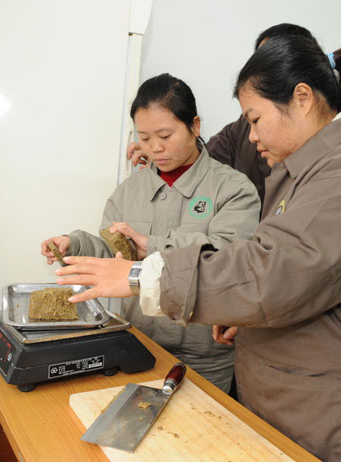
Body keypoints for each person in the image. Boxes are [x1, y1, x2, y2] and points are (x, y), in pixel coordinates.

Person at [55, 36, 341, 462]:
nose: (251, 134)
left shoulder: (294, 178)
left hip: (285, 394)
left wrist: (143, 270)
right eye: (144, 137)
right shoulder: (299, 171)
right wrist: (77, 246)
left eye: (256, 119)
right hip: (158, 349)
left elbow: (261, 269)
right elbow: (287, 275)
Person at [43, 73, 260, 393]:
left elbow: (229, 259)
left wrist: (152, 245)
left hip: (208, 357)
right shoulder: (129, 191)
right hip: (141, 347)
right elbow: (114, 252)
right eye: (144, 138)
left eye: (165, 135)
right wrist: (74, 243)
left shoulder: (233, 188)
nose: (155, 148)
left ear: (195, 126)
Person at [128, 23, 318, 204]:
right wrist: (160, 148)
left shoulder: (327, 156)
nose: (254, 136)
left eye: (272, 66)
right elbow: (204, 158)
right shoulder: (241, 129)